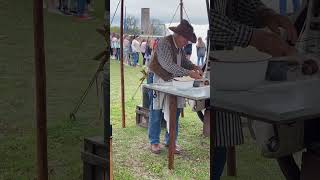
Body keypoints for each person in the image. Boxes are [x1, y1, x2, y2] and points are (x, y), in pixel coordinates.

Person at [208, 1, 298, 180]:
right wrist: (255, 38)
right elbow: (205, 20)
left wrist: (265, 14)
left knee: (219, 146)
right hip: (211, 72)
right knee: (211, 148)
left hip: (222, 73)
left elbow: (240, 4)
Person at [147, 19, 203, 154]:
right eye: (186, 39)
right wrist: (190, 73)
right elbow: (168, 65)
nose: (187, 42)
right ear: (178, 35)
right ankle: (154, 142)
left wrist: (195, 66)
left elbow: (183, 61)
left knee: (175, 110)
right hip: (157, 78)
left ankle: (170, 141)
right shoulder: (164, 43)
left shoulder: (180, 47)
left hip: (171, 80)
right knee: (156, 110)